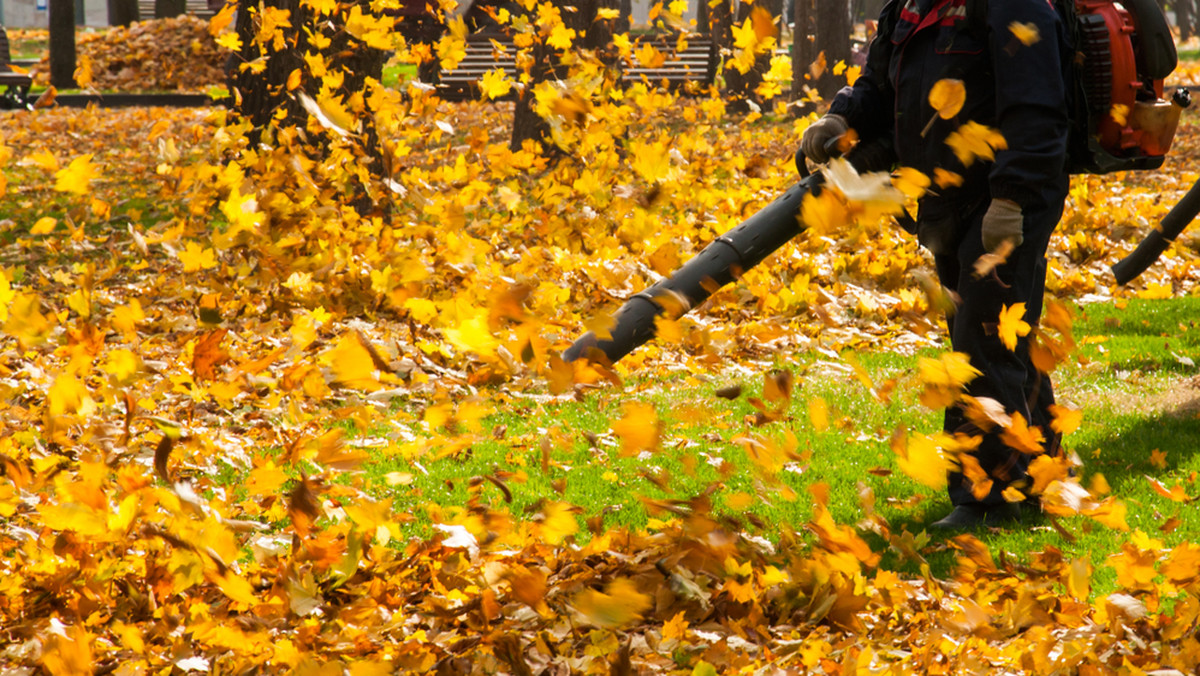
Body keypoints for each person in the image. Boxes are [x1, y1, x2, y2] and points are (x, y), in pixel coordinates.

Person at [800, 0, 1071, 529]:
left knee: (983, 341)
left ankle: (989, 501)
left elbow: (1036, 107)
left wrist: (1012, 199)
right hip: (948, 197)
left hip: (1006, 195)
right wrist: (842, 115)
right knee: (996, 337)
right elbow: (880, 84)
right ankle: (1037, 473)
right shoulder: (911, 5)